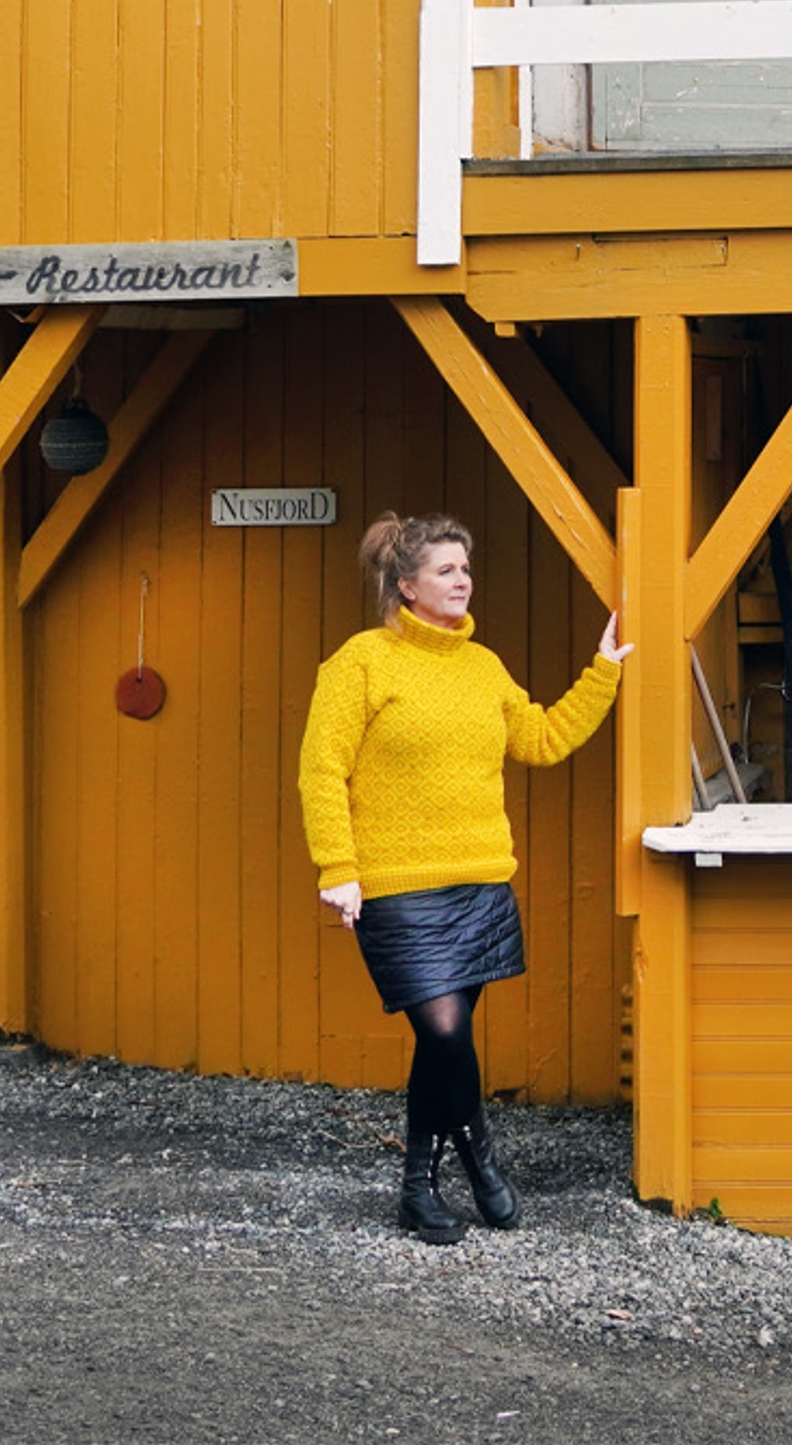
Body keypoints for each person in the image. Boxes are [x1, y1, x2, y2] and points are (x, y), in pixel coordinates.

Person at [298, 512, 630, 1243]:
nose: (462, 580)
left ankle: (419, 1188)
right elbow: (322, 770)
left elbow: (540, 739)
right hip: (394, 886)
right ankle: (480, 1156)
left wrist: (603, 670)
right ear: (406, 585)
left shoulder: (482, 667)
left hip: (478, 883)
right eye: (446, 570)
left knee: (441, 1047)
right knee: (446, 1035)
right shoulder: (360, 662)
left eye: (466, 569)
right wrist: (339, 869)